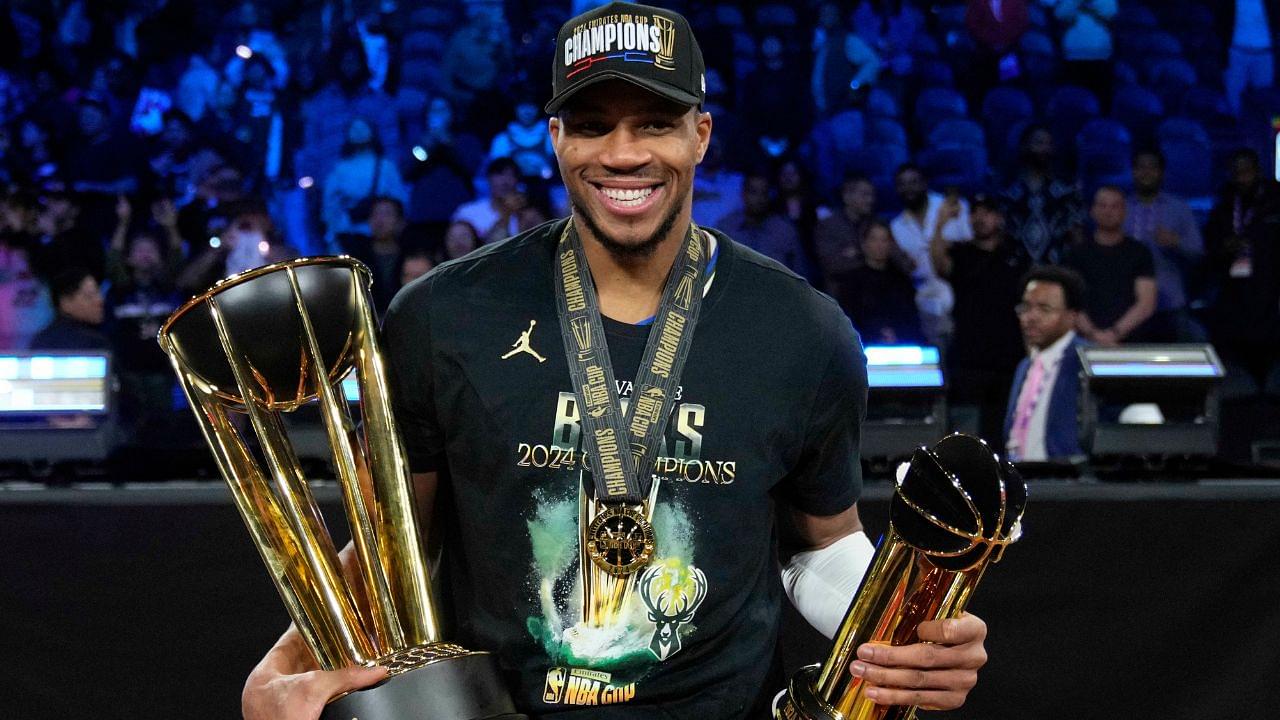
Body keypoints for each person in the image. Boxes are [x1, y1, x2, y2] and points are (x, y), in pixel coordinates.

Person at [241, 4, 990, 719]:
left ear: (701, 134)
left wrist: (905, 630)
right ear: (555, 137)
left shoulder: (806, 332)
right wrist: (281, 667)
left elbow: (820, 547)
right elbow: (397, 550)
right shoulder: (443, 317)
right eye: (593, 127)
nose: (624, 154)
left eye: (655, 124)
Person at [930, 195, 1029, 448]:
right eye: (975, 212)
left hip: (1007, 357)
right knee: (967, 435)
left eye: (988, 212)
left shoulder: (1016, 254)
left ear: (1000, 218)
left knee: (1004, 431)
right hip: (968, 359)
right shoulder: (962, 253)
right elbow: (940, 265)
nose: (980, 218)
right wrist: (941, 223)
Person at [1004, 265, 1088, 462]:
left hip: (1067, 485)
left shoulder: (1086, 361)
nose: (1031, 317)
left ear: (1072, 316)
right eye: (1026, 307)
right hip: (1023, 481)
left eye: (1044, 309)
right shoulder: (1025, 366)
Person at [1124, 150, 1205, 342]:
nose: (1146, 172)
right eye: (1141, 167)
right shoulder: (1120, 207)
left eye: (1152, 167)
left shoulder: (1178, 208)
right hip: (1127, 305)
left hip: (1171, 304)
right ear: (1133, 171)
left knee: (1176, 365)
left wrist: (1176, 242)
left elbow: (1198, 253)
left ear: (1161, 172)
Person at [889, 163, 972, 346]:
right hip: (925, 303)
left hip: (961, 294)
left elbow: (970, 245)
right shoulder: (896, 226)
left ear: (925, 183)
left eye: (913, 182)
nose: (908, 188)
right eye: (902, 184)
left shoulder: (953, 207)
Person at [1063, 186, 1157, 346]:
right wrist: (1094, 335)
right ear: (1092, 211)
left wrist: (1114, 333)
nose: (1108, 211)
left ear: (1124, 211)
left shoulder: (1140, 252)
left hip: (1129, 342)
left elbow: (1146, 303)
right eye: (1103, 205)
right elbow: (1069, 302)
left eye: (1115, 206)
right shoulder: (1075, 254)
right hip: (1084, 342)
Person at [1000, 124, 1085, 265]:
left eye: (1049, 144)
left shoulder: (1066, 195)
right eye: (1039, 143)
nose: (1045, 149)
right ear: (1025, 147)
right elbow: (1001, 238)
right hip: (1016, 273)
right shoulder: (1008, 196)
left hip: (1056, 272)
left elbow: (1077, 238)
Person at [833, 220, 924, 344]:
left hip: (903, 343)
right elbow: (848, 320)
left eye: (884, 240)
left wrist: (896, 333)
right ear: (864, 244)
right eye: (874, 239)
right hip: (864, 344)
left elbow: (911, 317)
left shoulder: (902, 280)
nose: (879, 245)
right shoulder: (851, 282)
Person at [715, 168, 814, 279]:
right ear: (743, 194)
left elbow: (801, 274)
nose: (759, 198)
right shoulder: (726, 228)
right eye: (754, 192)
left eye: (764, 192)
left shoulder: (785, 230)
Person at [1217, 0, 1280, 116]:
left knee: (1265, 95)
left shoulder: (1271, 3)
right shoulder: (1228, 3)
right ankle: (1238, 126)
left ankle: (1268, 130)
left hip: (1264, 54)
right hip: (1236, 52)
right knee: (1233, 94)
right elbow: (1220, 23)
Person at [29, 266, 107, 350]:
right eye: (89, 296)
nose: (100, 301)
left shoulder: (40, 340)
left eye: (99, 293)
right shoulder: (93, 343)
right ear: (65, 302)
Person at [451, 156, 522, 240]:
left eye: (511, 175)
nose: (505, 181)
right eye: (500, 174)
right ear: (489, 178)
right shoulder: (467, 213)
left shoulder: (525, 216)